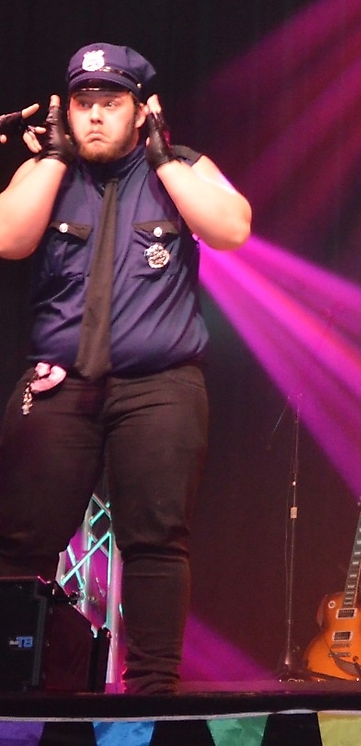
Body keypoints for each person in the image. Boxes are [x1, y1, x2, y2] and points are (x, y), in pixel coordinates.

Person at [0, 43, 252, 693]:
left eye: (111, 102)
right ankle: (14, 684)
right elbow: (9, 238)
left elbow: (232, 229)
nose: (94, 115)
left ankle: (152, 693)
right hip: (59, 382)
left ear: (142, 110)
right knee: (20, 540)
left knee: (157, 539)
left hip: (160, 384)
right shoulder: (47, 170)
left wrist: (166, 161)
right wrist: (52, 159)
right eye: (83, 102)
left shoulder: (183, 165)